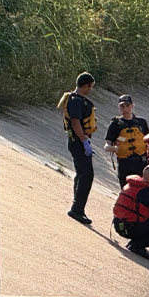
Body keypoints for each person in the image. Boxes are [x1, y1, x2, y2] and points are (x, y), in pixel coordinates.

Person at [58, 72, 97, 225]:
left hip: (77, 141)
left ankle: (77, 206)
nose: (90, 90)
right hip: (77, 141)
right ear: (85, 85)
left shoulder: (76, 100)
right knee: (87, 175)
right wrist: (84, 141)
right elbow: (75, 122)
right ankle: (77, 209)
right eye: (90, 87)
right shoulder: (76, 101)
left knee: (82, 173)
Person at [104, 95, 149, 189]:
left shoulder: (141, 122)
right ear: (119, 107)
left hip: (141, 163)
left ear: (132, 106)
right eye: (122, 106)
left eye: (127, 105)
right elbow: (107, 146)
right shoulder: (115, 124)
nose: (125, 108)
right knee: (127, 193)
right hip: (125, 164)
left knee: (143, 193)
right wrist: (114, 148)